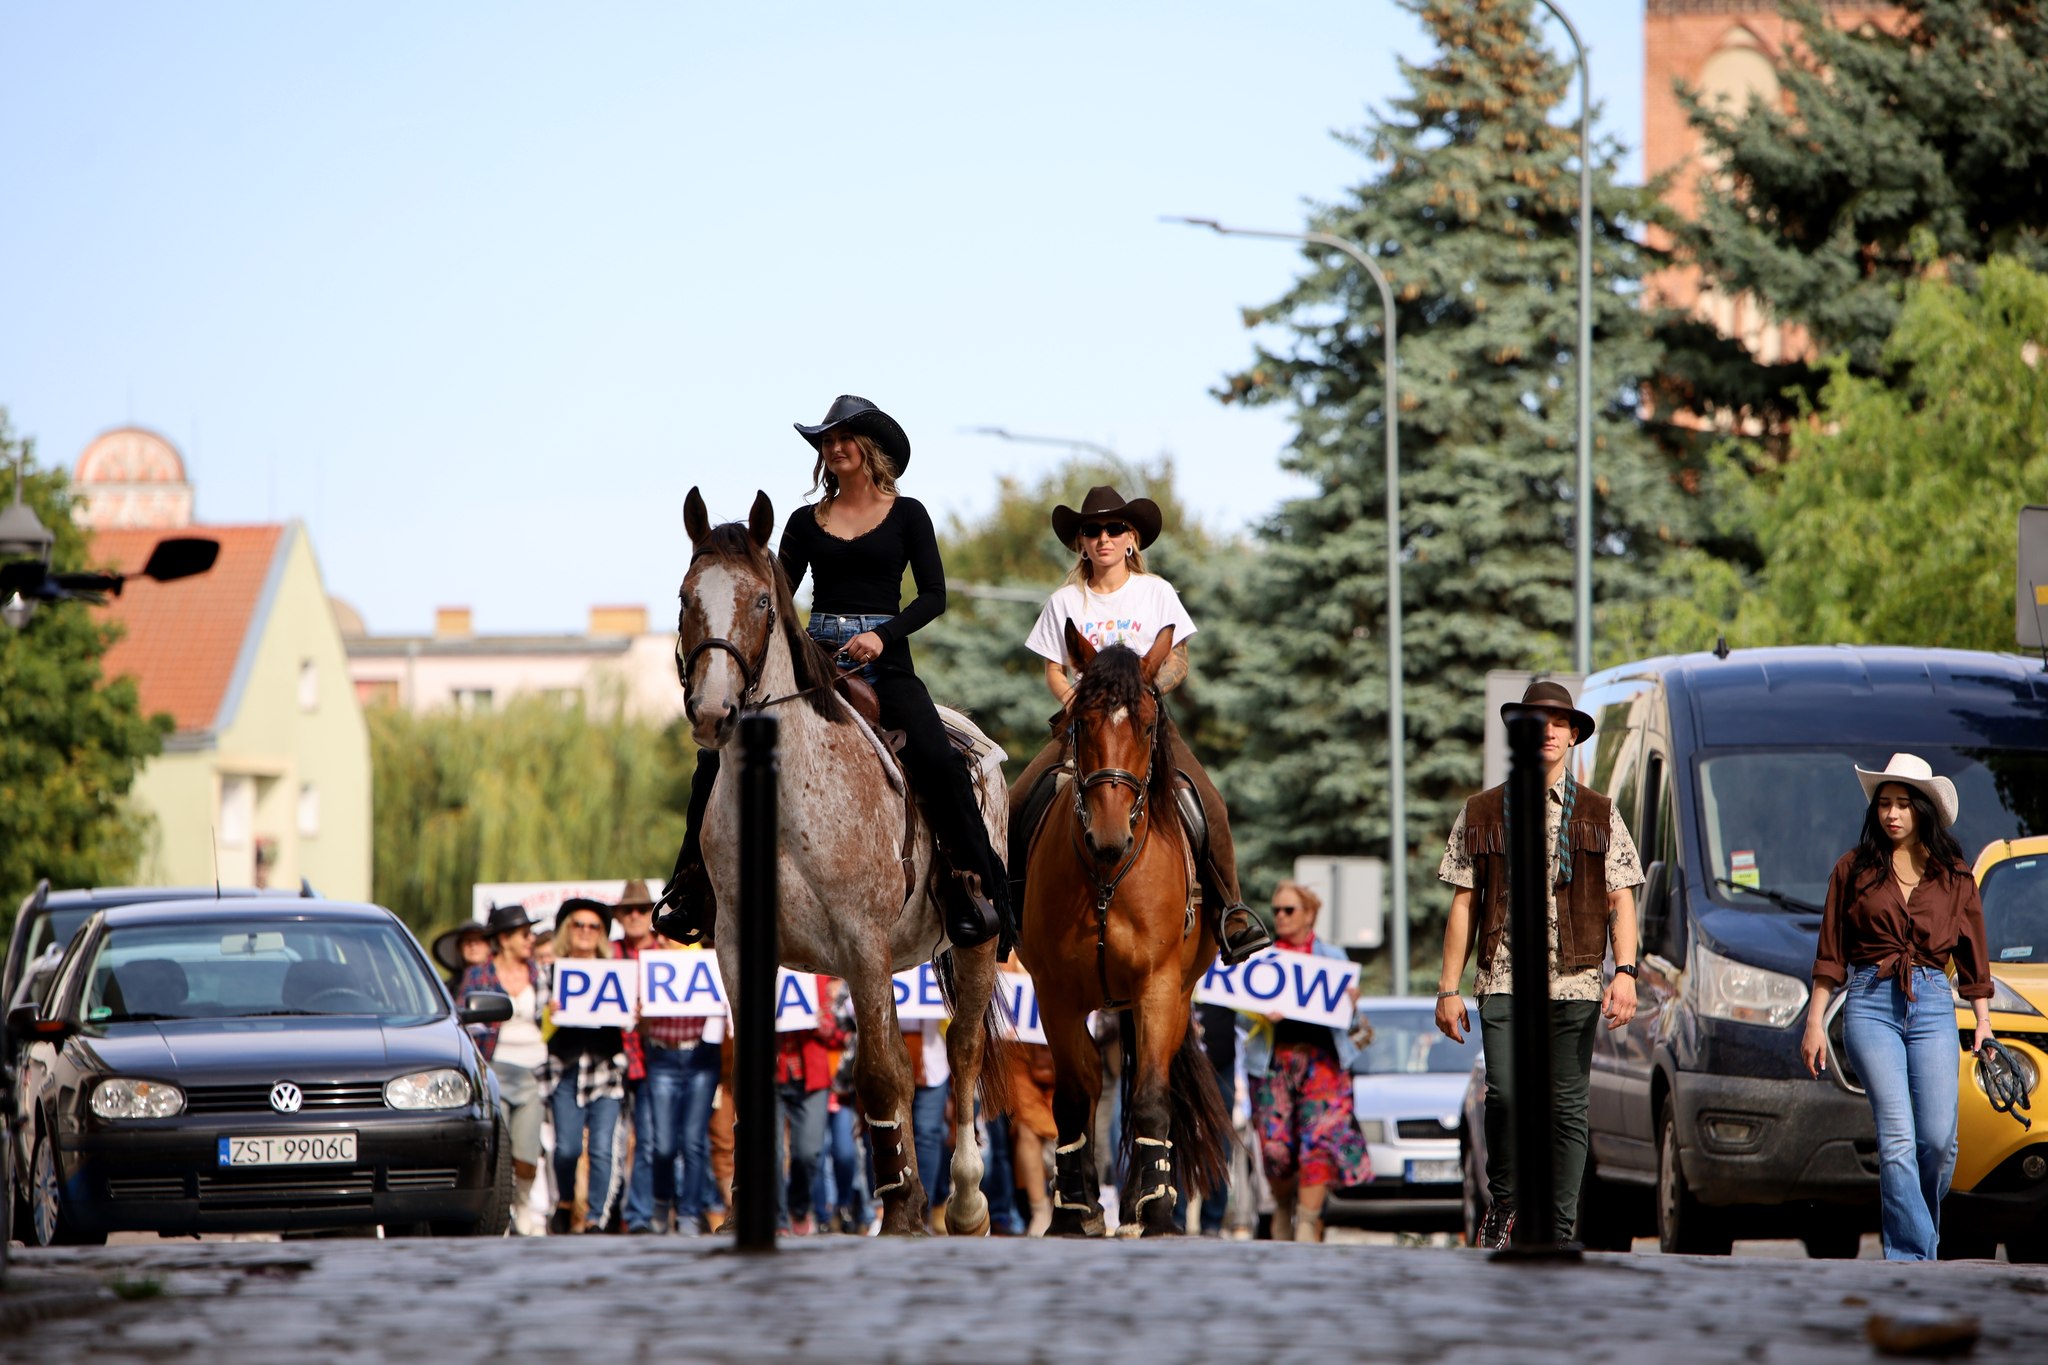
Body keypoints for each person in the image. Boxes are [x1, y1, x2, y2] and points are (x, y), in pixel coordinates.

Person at [657, 395, 1006, 950]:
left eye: (844, 439)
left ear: (871, 450)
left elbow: (934, 596)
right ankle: (690, 886)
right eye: (826, 441)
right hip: (814, 657)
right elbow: (776, 598)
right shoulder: (802, 521)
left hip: (884, 661)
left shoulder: (909, 513)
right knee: (713, 756)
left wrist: (882, 634)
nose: (834, 448)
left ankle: (973, 886)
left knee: (940, 757)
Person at [1009, 485, 1272, 965]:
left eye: (1114, 529)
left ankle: (1232, 912)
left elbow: (1177, 659)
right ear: (1081, 543)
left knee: (1210, 804)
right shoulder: (1064, 601)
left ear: (1132, 538)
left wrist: (1145, 695)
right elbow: (1053, 669)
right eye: (1092, 531)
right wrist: (1079, 700)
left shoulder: (1157, 593)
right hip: (1084, 725)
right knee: (1016, 802)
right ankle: (1007, 913)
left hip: (1145, 726)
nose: (1103, 538)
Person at [1432, 679, 1644, 1249]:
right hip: (1502, 977)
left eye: (1558, 722)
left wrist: (1625, 973)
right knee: (1503, 1093)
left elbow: (1621, 898)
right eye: (1535, 722)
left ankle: (1557, 1225)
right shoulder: (1481, 811)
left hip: (1574, 981)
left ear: (1573, 735)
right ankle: (1506, 1205)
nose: (1547, 731)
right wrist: (1446, 988)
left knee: (1566, 1106)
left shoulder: (1599, 814)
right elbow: (1464, 903)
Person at [1800, 754, 1993, 1261]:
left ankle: (1919, 1231)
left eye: (1903, 805)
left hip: (1932, 1001)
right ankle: (1913, 1257)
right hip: (1869, 1002)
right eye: (1884, 804)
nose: (1891, 814)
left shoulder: (1954, 876)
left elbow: (1974, 957)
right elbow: (1830, 953)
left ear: (1923, 810)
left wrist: (1984, 1027)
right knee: (1898, 1136)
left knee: (1936, 1139)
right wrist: (1815, 1021)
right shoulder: (1852, 869)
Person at [1240, 881, 1370, 1243]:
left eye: (1289, 910)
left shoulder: (1333, 958)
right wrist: (1261, 1014)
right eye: (1276, 910)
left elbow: (1353, 1023)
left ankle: (1307, 1224)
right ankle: (1283, 1207)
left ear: (1309, 914)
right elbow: (1239, 1017)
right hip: (1272, 1066)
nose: (1280, 916)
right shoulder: (1261, 960)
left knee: (1319, 1142)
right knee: (1275, 1150)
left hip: (1323, 1065)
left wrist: (1352, 1004)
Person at [614, 879, 717, 1236]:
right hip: (661, 1058)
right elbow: (637, 1027)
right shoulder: (650, 967)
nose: (670, 938)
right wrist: (641, 1016)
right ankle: (661, 1201)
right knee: (661, 1144)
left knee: (693, 1142)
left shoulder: (705, 963)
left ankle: (688, 1213)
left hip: (699, 1059)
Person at [458, 903, 548, 1236]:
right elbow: (464, 1022)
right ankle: (504, 1211)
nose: (531, 939)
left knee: (526, 1150)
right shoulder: (479, 975)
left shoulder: (541, 973)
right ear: (505, 938)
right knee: (500, 1151)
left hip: (533, 1072)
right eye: (525, 933)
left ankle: (524, 1205)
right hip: (495, 1069)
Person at [544, 897, 629, 1235]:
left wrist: (634, 1016)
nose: (585, 931)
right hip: (565, 1070)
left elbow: (632, 1024)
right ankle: (565, 1202)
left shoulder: (617, 971)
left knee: (602, 1147)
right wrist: (550, 1012)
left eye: (594, 926)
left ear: (602, 934)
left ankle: (595, 1217)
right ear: (567, 930)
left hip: (605, 1070)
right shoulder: (551, 970)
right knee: (565, 1148)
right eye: (578, 924)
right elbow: (540, 1026)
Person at [777, 974, 845, 1234]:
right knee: (772, 1154)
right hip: (773, 1071)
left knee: (808, 1152)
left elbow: (842, 1033)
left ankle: (798, 1206)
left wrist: (824, 1024)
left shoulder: (825, 977)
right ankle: (777, 1218)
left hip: (812, 1077)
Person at [431, 921, 491, 992]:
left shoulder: (499, 980)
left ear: (488, 946)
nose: (473, 946)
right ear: (459, 948)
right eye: (468, 941)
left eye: (478, 941)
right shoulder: (449, 988)